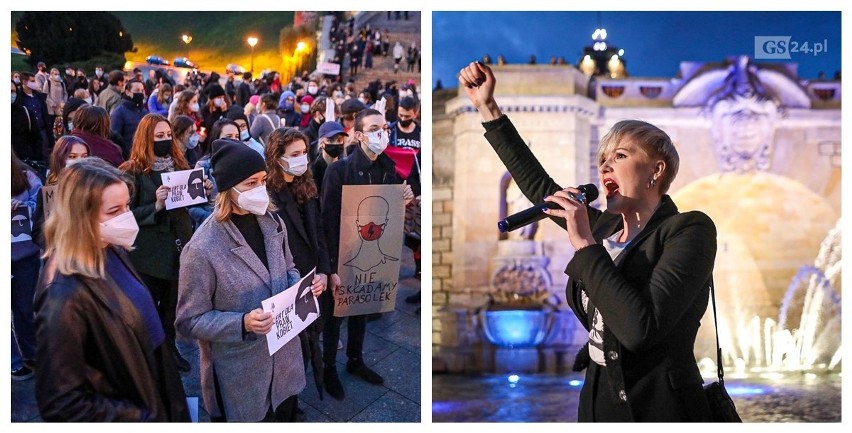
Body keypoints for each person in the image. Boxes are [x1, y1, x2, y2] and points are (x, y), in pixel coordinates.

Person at [459, 61, 718, 422]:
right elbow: (540, 188)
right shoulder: (607, 229)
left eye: (620, 156)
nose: (605, 167)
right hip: (598, 402)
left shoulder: (689, 231)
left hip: (657, 409)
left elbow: (641, 330)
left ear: (656, 171)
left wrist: (584, 243)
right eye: (603, 159)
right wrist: (488, 108)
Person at [33, 157, 189, 421]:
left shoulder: (111, 248)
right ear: (81, 216)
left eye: (127, 206)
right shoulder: (62, 293)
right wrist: (139, 417)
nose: (127, 217)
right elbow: (61, 404)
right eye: (114, 211)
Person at [176, 139, 307, 421]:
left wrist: (301, 288)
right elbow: (188, 320)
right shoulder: (202, 248)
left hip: (284, 362)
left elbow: (289, 267)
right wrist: (242, 323)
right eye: (250, 184)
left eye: (262, 181)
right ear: (228, 190)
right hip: (243, 372)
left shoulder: (273, 222)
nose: (260, 189)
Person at [320, 109, 414, 399]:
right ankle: (327, 369)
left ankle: (355, 359)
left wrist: (403, 201)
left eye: (384, 127)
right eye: (374, 128)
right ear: (359, 135)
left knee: (362, 306)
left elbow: (388, 214)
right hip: (342, 253)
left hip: (372, 254)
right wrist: (332, 265)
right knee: (335, 316)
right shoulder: (339, 170)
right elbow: (328, 219)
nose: (381, 133)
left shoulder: (387, 168)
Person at [119, 114, 201, 373]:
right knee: (147, 306)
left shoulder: (179, 164)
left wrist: (202, 189)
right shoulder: (131, 171)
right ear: (146, 139)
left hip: (179, 247)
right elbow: (123, 215)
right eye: (159, 137)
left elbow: (189, 202)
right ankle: (146, 353)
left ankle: (169, 349)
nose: (165, 141)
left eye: (168, 136)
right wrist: (155, 205)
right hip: (149, 253)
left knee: (172, 306)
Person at [264, 127, 331, 409]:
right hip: (286, 283)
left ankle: (293, 401)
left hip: (313, 278)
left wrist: (325, 272)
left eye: (304, 153)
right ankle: (284, 406)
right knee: (289, 351)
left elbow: (319, 233)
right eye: (294, 155)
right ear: (278, 158)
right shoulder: (267, 193)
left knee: (309, 344)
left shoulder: (307, 183)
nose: (302, 159)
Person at [11, 150, 42, 381]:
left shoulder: (25, 175)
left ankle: (33, 354)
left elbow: (43, 203)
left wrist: (24, 206)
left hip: (24, 255)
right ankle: (13, 361)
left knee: (25, 309)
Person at [111, 79, 150, 149]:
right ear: (128, 92)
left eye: (142, 90)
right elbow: (114, 139)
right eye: (137, 90)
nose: (140, 93)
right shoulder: (119, 113)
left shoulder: (145, 112)